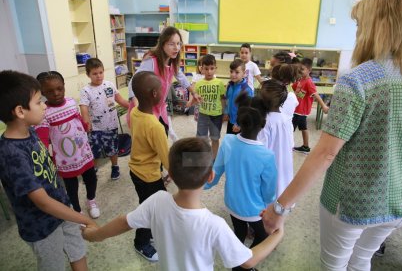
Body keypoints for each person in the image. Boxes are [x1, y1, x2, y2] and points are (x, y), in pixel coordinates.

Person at [262, 0, 402, 270]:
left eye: (359, 24)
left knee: (334, 264)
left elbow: (325, 153)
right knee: (362, 258)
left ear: (377, 27)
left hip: (352, 202)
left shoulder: (359, 79)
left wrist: (280, 208)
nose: (357, 32)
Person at [81, 137, 284, 271]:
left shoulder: (157, 200)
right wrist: (278, 234)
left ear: (171, 174)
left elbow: (124, 221)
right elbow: (248, 260)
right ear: (210, 176)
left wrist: (94, 235)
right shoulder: (214, 225)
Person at [0, 70, 97, 271]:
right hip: (42, 227)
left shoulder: (31, 131)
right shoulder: (11, 154)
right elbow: (42, 202)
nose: (44, 105)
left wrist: (70, 211)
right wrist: (83, 218)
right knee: (53, 266)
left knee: (78, 251)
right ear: (20, 111)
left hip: (63, 210)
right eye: (38, 102)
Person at [205, 92, 277, 271]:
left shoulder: (228, 141)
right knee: (263, 237)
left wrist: (199, 184)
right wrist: (268, 206)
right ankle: (243, 266)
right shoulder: (267, 155)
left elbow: (216, 172)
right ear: (263, 123)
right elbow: (269, 190)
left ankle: (236, 261)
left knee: (239, 233)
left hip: (231, 203)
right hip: (254, 210)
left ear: (239, 120)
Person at [35, 71, 100, 218]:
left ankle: (91, 200)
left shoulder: (71, 102)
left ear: (64, 86)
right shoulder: (44, 112)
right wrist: (44, 153)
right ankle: (76, 210)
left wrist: (84, 125)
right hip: (65, 159)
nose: (56, 93)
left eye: (59, 88)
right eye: (50, 91)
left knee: (91, 178)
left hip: (83, 151)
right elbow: (43, 136)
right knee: (71, 186)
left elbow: (77, 117)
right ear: (43, 93)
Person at [128, 71, 170, 262]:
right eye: (161, 89)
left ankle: (150, 232)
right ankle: (141, 242)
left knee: (149, 205)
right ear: (154, 94)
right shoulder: (155, 126)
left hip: (136, 170)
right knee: (151, 210)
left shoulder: (135, 111)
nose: (163, 91)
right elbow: (167, 159)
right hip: (149, 176)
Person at [127, 26, 200, 134]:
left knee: (162, 134)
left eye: (178, 43)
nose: (176, 48)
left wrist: (194, 92)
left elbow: (181, 78)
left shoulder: (172, 61)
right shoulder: (151, 61)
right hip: (144, 109)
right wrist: (138, 107)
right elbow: (133, 82)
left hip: (159, 107)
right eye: (171, 44)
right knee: (149, 143)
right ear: (162, 44)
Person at [79, 58, 129, 180]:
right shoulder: (86, 90)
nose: (98, 76)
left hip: (111, 124)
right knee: (94, 150)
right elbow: (84, 108)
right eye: (95, 74)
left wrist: (134, 107)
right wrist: (86, 123)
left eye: (101, 72)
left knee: (112, 148)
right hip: (94, 128)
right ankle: (93, 169)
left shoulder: (110, 85)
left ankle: (115, 166)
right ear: (88, 75)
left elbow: (120, 100)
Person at [258, 65, 299, 199]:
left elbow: (260, 149)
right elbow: (290, 140)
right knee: (282, 181)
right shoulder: (285, 118)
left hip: (270, 161)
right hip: (284, 154)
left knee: (270, 187)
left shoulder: (265, 121)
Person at [292, 58, 329, 154]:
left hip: (300, 111)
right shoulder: (301, 79)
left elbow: (316, 94)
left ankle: (288, 146)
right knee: (303, 128)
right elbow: (295, 88)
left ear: (309, 70)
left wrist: (324, 106)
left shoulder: (309, 82)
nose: (300, 70)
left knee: (290, 129)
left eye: (302, 69)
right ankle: (306, 147)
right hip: (300, 110)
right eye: (300, 68)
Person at [193, 54, 226, 159]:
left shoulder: (220, 83)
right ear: (201, 69)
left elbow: (222, 99)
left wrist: (225, 112)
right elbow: (195, 98)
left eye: (212, 69)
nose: (209, 71)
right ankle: (202, 158)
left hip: (216, 116)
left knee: (215, 138)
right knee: (201, 138)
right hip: (203, 115)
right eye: (206, 69)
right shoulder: (198, 84)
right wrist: (190, 102)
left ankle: (214, 159)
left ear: (215, 69)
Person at [225, 59, 254, 134]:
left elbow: (247, 110)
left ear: (244, 74)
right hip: (230, 121)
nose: (233, 74)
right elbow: (227, 100)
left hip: (240, 124)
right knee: (230, 141)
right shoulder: (229, 86)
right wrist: (226, 113)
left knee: (238, 144)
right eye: (231, 71)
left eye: (237, 72)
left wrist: (239, 124)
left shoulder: (246, 90)